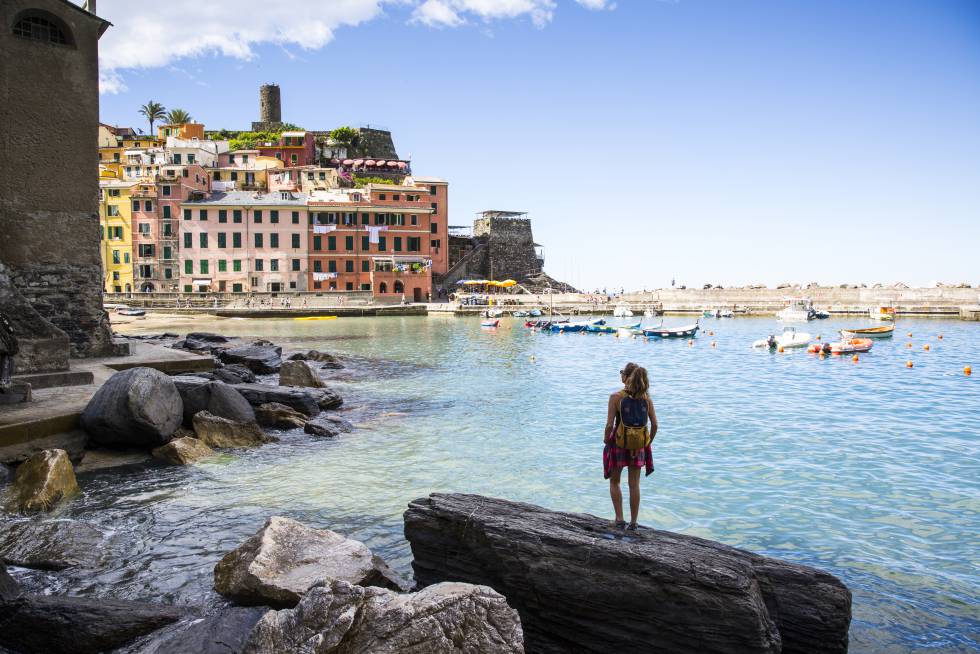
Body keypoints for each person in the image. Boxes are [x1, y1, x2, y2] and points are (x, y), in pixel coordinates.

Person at [603, 362, 658, 530]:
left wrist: (607, 440)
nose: (621, 375)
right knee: (634, 484)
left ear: (626, 377)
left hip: (618, 443)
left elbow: (609, 425)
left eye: (622, 373)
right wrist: (646, 442)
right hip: (639, 446)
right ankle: (633, 523)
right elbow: (655, 425)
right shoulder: (646, 398)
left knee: (615, 481)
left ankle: (619, 519)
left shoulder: (616, 397)